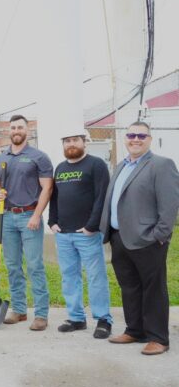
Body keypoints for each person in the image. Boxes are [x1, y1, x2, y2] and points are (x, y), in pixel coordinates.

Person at [100, 121, 179, 355]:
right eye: (132, 135)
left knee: (153, 289)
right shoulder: (121, 166)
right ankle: (135, 330)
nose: (136, 139)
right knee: (130, 287)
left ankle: (158, 338)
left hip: (148, 240)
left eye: (141, 136)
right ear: (125, 138)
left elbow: (169, 204)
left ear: (149, 139)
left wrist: (160, 235)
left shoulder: (161, 165)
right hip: (119, 237)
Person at [48, 131, 113, 338]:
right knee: (69, 278)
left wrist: (92, 226)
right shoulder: (61, 168)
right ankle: (76, 318)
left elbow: (102, 197)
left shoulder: (96, 165)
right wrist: (52, 221)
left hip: (87, 234)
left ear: (85, 142)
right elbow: (55, 197)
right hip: (64, 234)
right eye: (67, 141)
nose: (71, 144)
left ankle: (103, 319)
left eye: (75, 140)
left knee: (96, 277)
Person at [0, 115, 53, 331]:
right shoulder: (1, 158)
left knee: (35, 265)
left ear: (28, 130)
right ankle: (18, 309)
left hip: (29, 216)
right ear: (9, 131)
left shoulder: (39, 157)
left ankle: (41, 314)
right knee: (12, 265)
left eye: (20, 127)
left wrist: (37, 215)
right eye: (13, 127)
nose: (16, 130)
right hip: (7, 216)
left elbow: (47, 188)